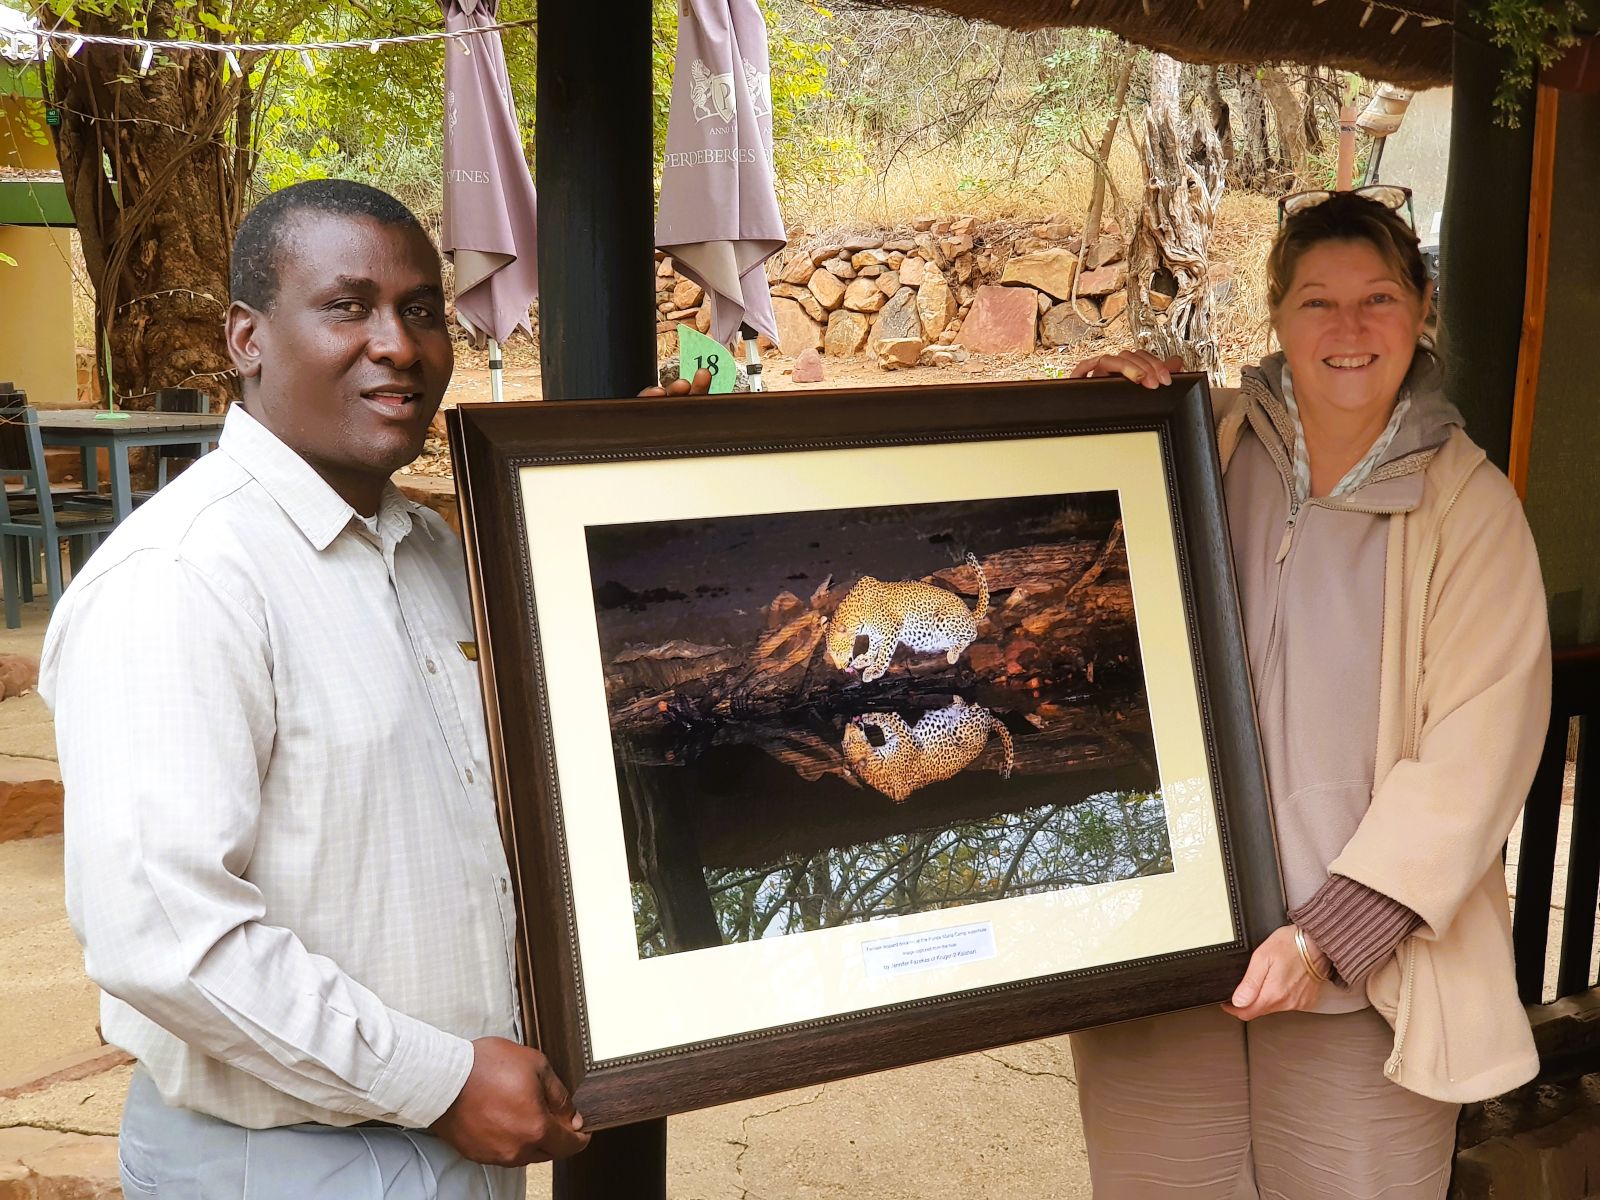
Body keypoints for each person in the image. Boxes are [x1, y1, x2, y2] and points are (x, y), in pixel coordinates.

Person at [40, 180, 589, 1199]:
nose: (398, 345)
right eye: (347, 307)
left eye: (421, 310)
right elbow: (165, 938)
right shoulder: (182, 580)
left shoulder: (430, 550)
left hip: (469, 1132)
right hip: (288, 1162)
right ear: (247, 337)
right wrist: (437, 1080)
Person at [1064, 189, 1551, 1197]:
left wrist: (1327, 940)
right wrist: (1097, 422)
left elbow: (1475, 763)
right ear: (1277, 316)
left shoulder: (1470, 508)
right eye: (1317, 301)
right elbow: (1075, 605)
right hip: (1173, 954)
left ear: (1422, 308)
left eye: (1378, 298)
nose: (1348, 328)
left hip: (1368, 978)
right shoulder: (1200, 448)